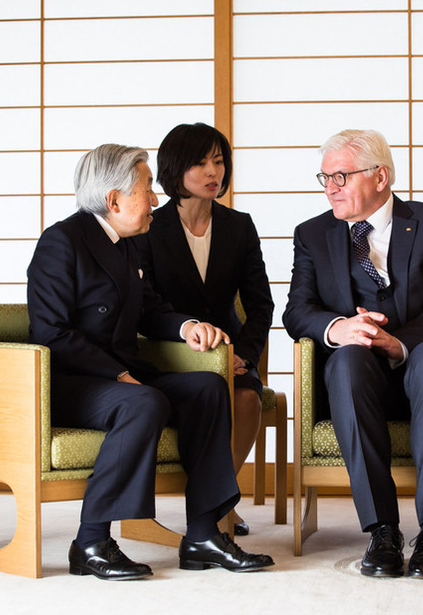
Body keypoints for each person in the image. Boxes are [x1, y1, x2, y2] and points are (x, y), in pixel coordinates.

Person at [27, 143, 274, 581]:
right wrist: (117, 374)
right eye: (146, 188)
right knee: (143, 403)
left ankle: (202, 534)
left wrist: (188, 327)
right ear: (114, 199)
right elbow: (52, 333)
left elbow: (150, 311)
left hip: (122, 376)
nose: (156, 199)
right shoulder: (61, 241)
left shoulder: (126, 246)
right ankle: (90, 542)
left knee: (206, 387)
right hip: (72, 382)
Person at [282, 129, 423, 580]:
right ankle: (382, 531)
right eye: (324, 177)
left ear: (380, 176)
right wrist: (339, 327)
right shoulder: (312, 234)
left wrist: (400, 343)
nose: (329, 187)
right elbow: (298, 311)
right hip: (361, 381)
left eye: (340, 175)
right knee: (345, 359)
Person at [135, 123, 274, 536]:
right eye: (200, 162)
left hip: (230, 353)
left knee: (248, 398)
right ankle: (213, 506)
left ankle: (216, 504)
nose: (213, 171)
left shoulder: (239, 226)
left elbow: (260, 304)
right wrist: (187, 334)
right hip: (169, 350)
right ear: (176, 170)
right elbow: (145, 307)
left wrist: (243, 355)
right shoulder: (148, 227)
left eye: (218, 161)